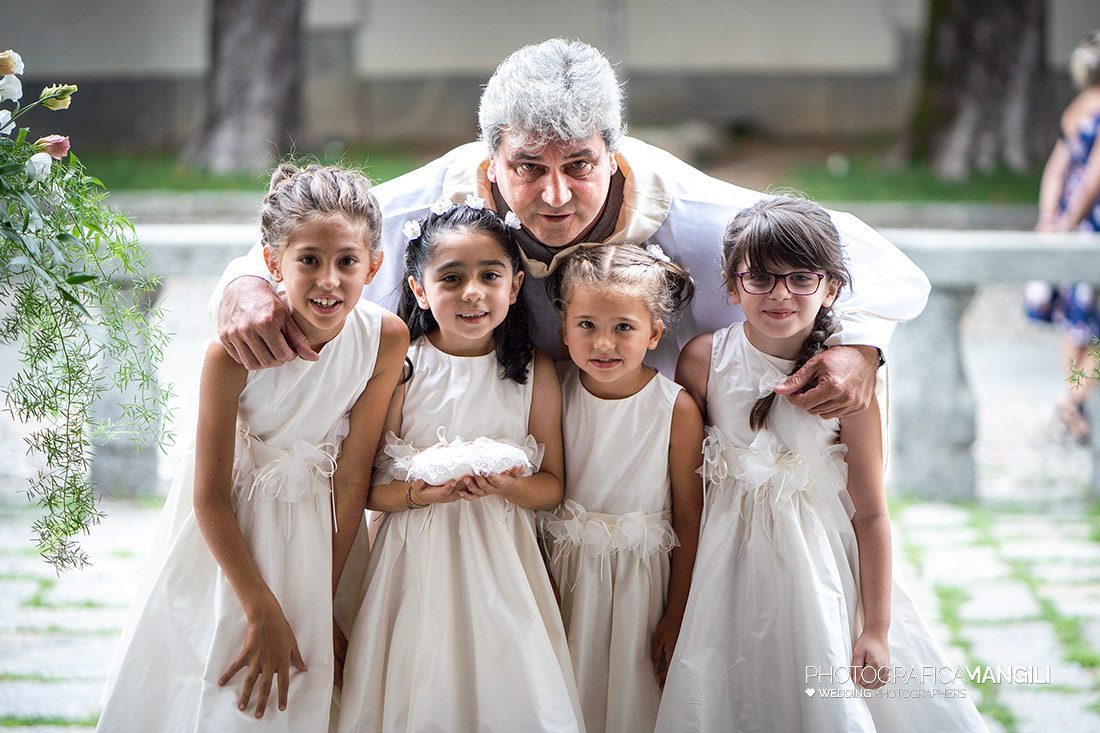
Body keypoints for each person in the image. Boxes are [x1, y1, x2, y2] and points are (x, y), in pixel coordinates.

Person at [211, 38, 930, 423]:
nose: (554, 195)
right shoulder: (434, 199)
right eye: (528, 166)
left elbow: (880, 261)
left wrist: (864, 345)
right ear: (490, 157)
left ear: (613, 154)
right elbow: (305, 237)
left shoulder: (696, 210)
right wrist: (246, 279)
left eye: (580, 165)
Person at [97, 164, 409, 731]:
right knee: (227, 692)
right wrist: (262, 607)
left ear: (375, 265)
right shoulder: (231, 354)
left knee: (322, 690)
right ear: (272, 263)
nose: (329, 281)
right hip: (234, 538)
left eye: (347, 262)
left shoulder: (385, 338)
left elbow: (351, 478)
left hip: (324, 536)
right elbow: (210, 497)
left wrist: (322, 599)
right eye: (308, 260)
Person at [657, 196, 987, 732]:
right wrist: (675, 610)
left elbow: (871, 513)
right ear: (733, 284)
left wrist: (876, 628)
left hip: (822, 567)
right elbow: (683, 493)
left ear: (831, 287)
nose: (780, 294)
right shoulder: (703, 359)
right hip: (725, 568)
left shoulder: (847, 379)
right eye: (760, 279)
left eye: (800, 278)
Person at [335, 202, 583, 732]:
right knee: (416, 681)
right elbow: (366, 487)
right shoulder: (402, 368)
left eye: (489, 276)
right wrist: (419, 495)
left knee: (508, 684)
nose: (472, 292)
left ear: (514, 287)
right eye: (451, 278)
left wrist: (508, 486)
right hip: (412, 561)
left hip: (504, 561)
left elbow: (552, 487)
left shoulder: (532, 371)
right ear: (420, 289)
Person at [541, 243, 704, 733]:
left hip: (642, 584)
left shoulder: (674, 409)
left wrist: (676, 615)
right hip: (562, 574)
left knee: (632, 703)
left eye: (624, 328)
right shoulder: (553, 390)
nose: (603, 344)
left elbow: (690, 519)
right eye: (587, 325)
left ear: (654, 333)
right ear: (564, 328)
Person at [1031, 29, 1100, 443]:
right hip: (1091, 225)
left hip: (1070, 226)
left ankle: (1073, 394)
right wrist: (1074, 220)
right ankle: (1075, 401)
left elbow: (1057, 169)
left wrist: (1049, 217)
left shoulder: (1077, 108)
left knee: (1073, 322)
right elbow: (1095, 175)